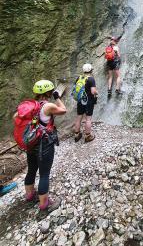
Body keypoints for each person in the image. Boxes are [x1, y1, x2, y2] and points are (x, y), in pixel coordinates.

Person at [13, 80, 66, 212]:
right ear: (48, 92)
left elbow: (15, 117)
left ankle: (30, 195)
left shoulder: (29, 106)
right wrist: (57, 97)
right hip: (44, 145)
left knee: (31, 170)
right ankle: (44, 204)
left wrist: (33, 128)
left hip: (31, 144)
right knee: (44, 174)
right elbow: (64, 110)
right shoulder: (47, 106)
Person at [73, 63, 98, 143]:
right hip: (88, 101)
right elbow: (93, 91)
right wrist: (97, 92)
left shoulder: (79, 78)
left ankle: (77, 135)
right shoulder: (91, 79)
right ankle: (88, 136)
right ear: (91, 70)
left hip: (80, 100)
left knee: (79, 117)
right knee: (88, 119)